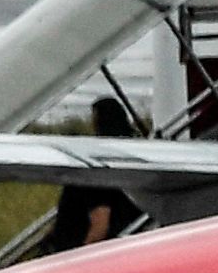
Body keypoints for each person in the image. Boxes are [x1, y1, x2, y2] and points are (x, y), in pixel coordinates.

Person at [40, 98, 145, 256]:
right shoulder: (131, 158)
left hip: (74, 249)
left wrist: (82, 255)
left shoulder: (93, 172)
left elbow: (100, 223)